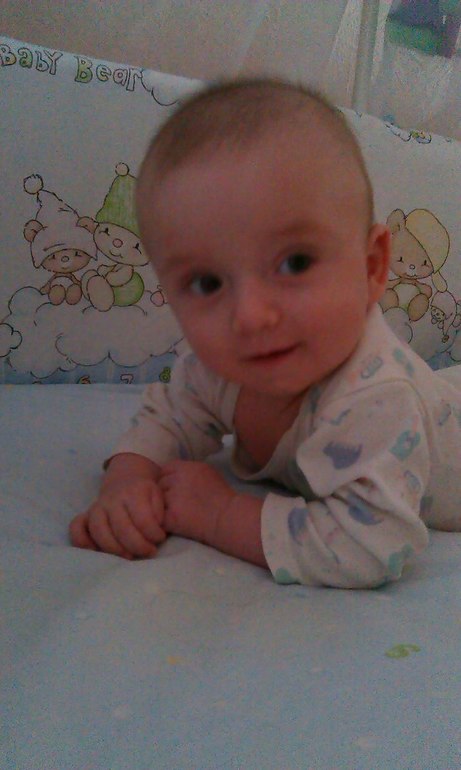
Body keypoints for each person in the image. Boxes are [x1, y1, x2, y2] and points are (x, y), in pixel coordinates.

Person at [70, 78, 461, 588]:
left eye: (294, 263)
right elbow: (167, 417)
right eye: (207, 283)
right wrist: (127, 481)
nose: (250, 316)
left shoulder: (376, 398)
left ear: (371, 267)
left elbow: (368, 544)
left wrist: (222, 514)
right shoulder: (217, 370)